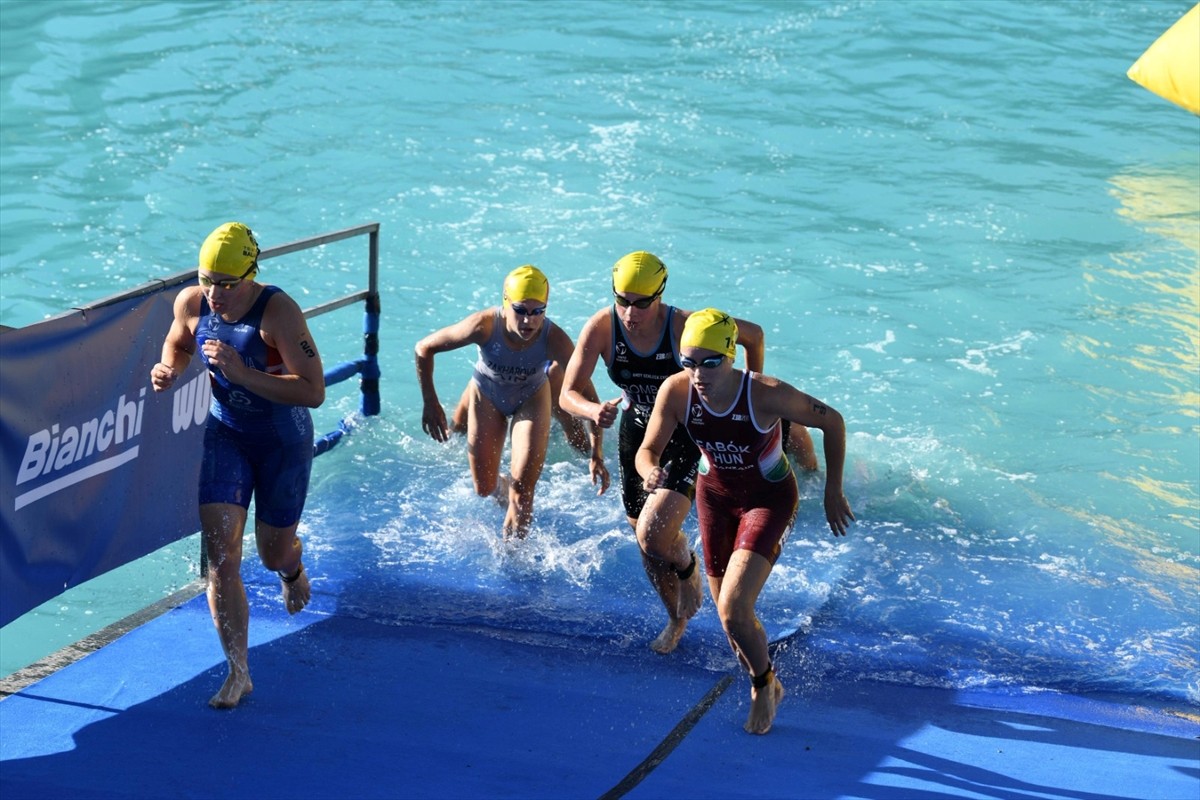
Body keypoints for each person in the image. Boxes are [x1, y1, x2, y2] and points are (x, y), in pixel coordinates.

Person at [560, 251, 818, 655]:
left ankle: (808, 472)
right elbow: (567, 393)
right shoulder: (602, 327)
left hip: (686, 430)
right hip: (638, 429)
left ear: (660, 295)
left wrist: (748, 389)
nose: (630, 312)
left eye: (642, 303)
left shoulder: (683, 325)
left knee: (653, 531)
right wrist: (593, 411)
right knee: (647, 542)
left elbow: (752, 335)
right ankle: (678, 606)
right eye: (622, 300)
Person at [635, 308, 854, 734]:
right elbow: (648, 449)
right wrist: (649, 471)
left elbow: (833, 421)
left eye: (710, 362)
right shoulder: (677, 391)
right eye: (688, 362)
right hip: (715, 499)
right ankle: (767, 679)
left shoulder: (766, 394)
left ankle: (761, 686)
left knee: (735, 610)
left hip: (768, 500)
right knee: (729, 622)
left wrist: (833, 489)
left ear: (731, 356)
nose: (698, 373)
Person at [149, 221, 325, 709]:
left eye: (227, 284)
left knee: (271, 554)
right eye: (207, 280)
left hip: (281, 442)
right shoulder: (192, 303)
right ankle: (238, 670)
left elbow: (313, 390)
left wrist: (243, 374)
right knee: (221, 557)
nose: (215, 294)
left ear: (251, 275)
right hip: (226, 435)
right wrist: (169, 369)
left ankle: (291, 568)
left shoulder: (279, 313)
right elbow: (179, 344)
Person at [415, 265, 608, 539]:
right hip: (487, 394)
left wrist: (597, 453)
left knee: (524, 492)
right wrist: (430, 402)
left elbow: (590, 397)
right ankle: (504, 487)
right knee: (484, 488)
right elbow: (424, 348)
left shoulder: (554, 339)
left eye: (538, 311)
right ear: (505, 303)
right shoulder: (483, 326)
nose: (529, 321)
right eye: (520, 310)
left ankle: (514, 556)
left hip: (531, 398)